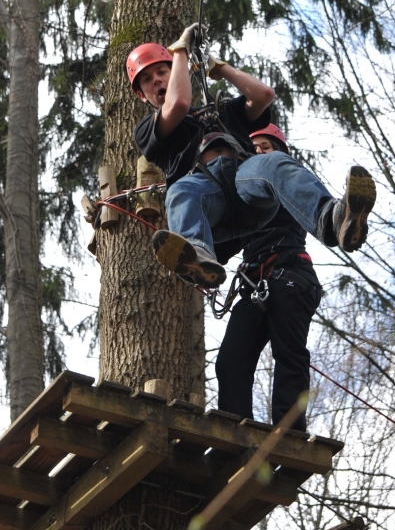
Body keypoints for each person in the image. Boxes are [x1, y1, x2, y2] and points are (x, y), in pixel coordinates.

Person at [129, 24, 376, 290]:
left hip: (245, 184)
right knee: (180, 191)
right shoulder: (148, 129)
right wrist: (180, 51)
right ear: (142, 95)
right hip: (207, 197)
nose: (156, 79)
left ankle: (333, 219)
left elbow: (263, 95)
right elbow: (178, 104)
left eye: (162, 71)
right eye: (147, 79)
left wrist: (219, 67)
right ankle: (197, 254)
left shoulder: (220, 112)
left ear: (176, 72)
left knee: (273, 163)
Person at [215, 124, 321, 432]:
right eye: (255, 149)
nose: (259, 153)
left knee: (289, 356)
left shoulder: (289, 182)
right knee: (231, 360)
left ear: (281, 155)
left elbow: (302, 200)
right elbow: (225, 245)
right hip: (255, 284)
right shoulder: (248, 204)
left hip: (290, 274)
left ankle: (289, 435)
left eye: (266, 148)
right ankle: (236, 432)